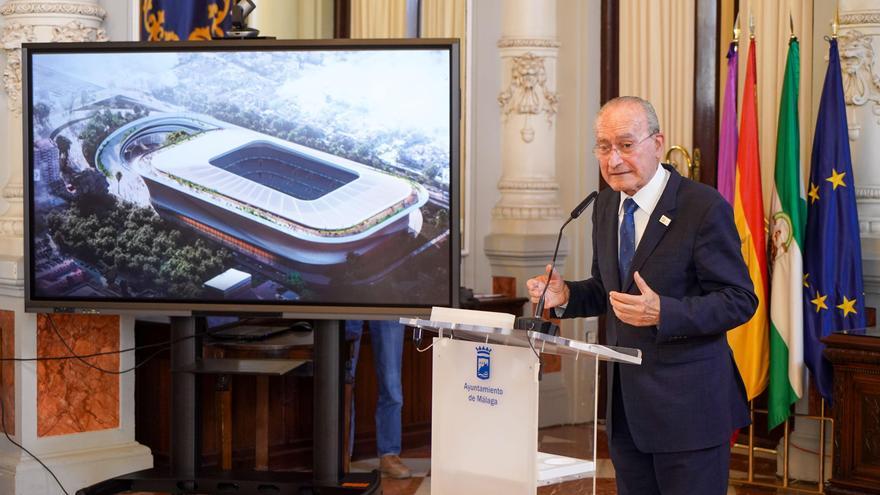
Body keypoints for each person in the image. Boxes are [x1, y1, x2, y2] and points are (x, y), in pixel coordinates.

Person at [526, 96, 757, 495]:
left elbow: (739, 298)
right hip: (626, 410)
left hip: (689, 412)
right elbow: (608, 290)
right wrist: (565, 295)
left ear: (657, 143)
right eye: (603, 146)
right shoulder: (605, 205)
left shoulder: (701, 207)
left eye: (626, 145)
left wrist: (664, 312)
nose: (613, 159)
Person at [345, 319, 411, 479]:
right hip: (347, 297)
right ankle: (342, 456)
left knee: (391, 385)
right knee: (343, 382)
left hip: (387, 298)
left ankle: (389, 454)